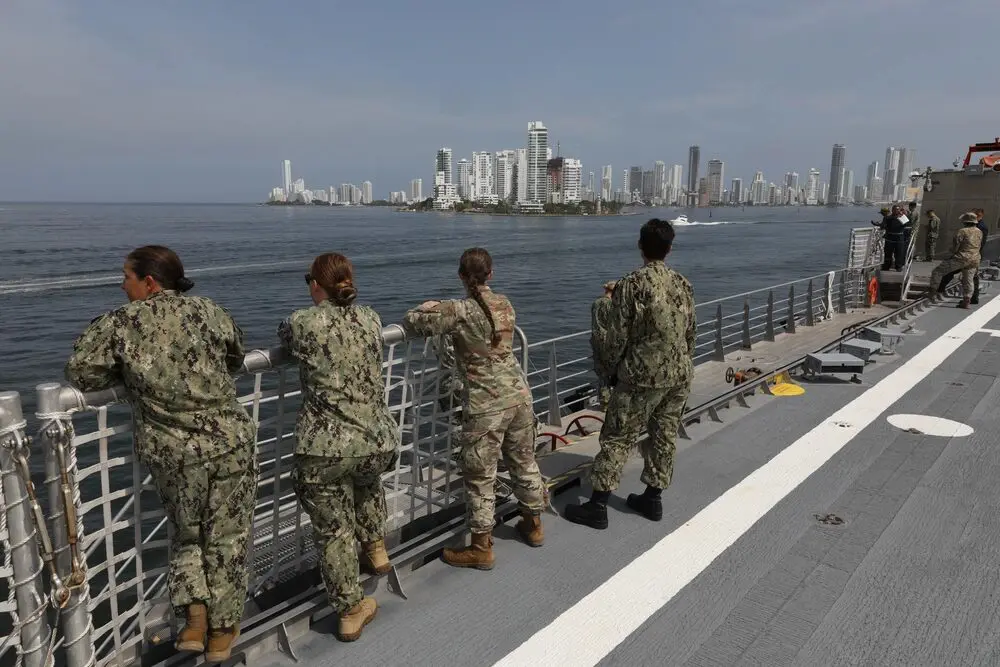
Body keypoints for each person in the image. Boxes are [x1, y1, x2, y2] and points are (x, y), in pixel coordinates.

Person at [64, 245, 256, 663]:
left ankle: (194, 622)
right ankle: (222, 633)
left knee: (186, 535)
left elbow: (81, 371)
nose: (122, 285)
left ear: (149, 282)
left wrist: (130, 374)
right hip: (230, 442)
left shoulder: (121, 322)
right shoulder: (209, 310)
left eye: (126, 277)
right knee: (227, 537)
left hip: (173, 453)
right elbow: (236, 356)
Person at [277, 253, 398, 642]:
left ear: (316, 284)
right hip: (377, 439)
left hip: (325, 448)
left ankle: (349, 611)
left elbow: (286, 336)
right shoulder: (371, 318)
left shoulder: (302, 322)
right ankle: (376, 547)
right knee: (366, 479)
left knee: (334, 532)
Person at [403, 247, 546, 570]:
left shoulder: (458, 310)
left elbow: (413, 322)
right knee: (524, 461)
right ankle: (534, 525)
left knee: (480, 476)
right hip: (519, 396)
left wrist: (428, 307)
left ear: (460, 276)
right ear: (490, 274)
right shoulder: (505, 303)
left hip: (486, 405)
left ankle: (481, 547)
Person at [565, 219, 696, 530]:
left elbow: (616, 338)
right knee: (664, 435)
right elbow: (690, 332)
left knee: (617, 437)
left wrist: (611, 371)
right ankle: (653, 498)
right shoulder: (683, 283)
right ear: (670, 249)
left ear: (640, 246)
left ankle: (597, 505)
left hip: (642, 376)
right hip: (679, 374)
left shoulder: (631, 284)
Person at [928, 212, 982, 308]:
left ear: (965, 222)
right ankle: (966, 301)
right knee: (968, 279)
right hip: (975, 259)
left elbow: (955, 246)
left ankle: (932, 293)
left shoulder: (962, 231)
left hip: (961, 258)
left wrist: (951, 252)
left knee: (937, 271)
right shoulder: (979, 231)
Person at [590, 280, 618, 411]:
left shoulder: (596, 303)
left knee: (602, 373)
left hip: (596, 340)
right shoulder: (611, 305)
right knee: (616, 370)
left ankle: (604, 402)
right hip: (609, 341)